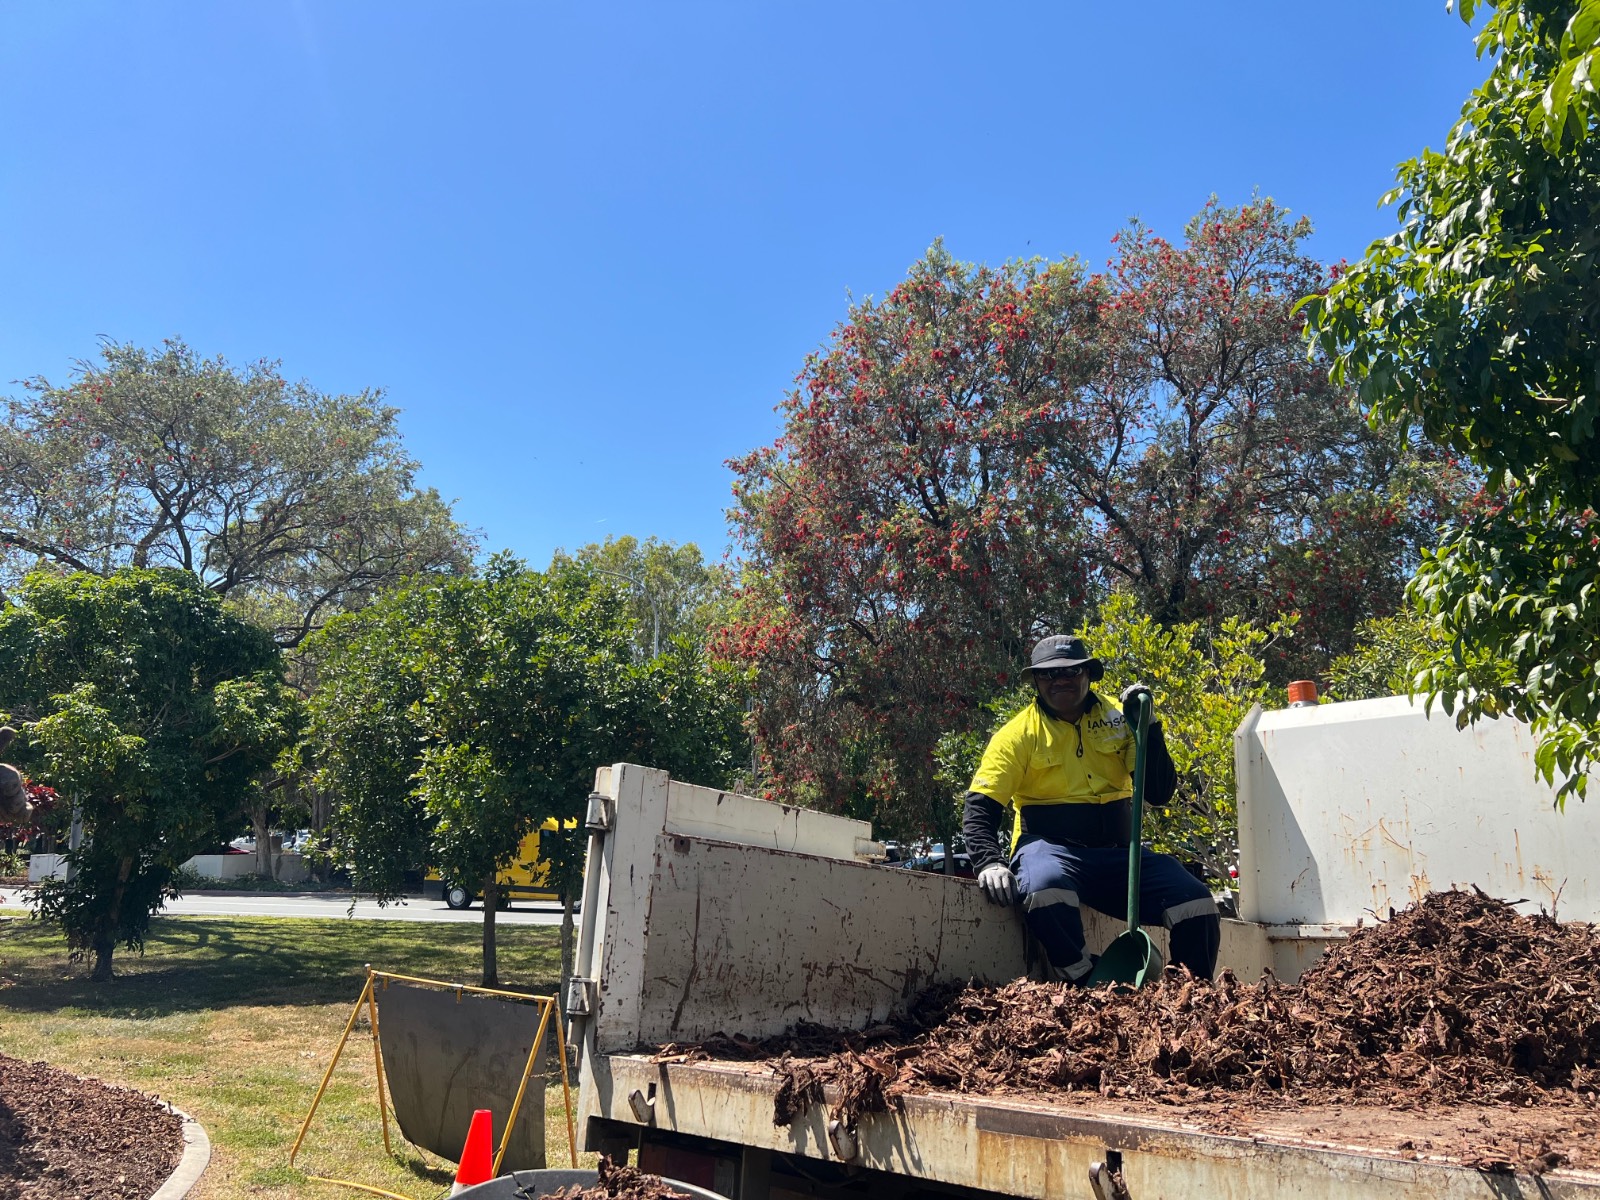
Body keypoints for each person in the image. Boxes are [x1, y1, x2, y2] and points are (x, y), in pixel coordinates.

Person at [963, 634, 1220, 982]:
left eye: (1070, 672)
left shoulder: (1121, 717)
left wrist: (1149, 727)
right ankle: (1085, 980)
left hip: (1119, 856)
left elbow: (1159, 792)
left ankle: (1189, 993)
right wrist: (988, 861)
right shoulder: (1016, 735)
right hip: (1052, 850)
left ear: (1088, 674)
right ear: (1036, 682)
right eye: (1048, 675)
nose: (1060, 681)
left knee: (1197, 901)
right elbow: (981, 806)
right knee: (1044, 887)